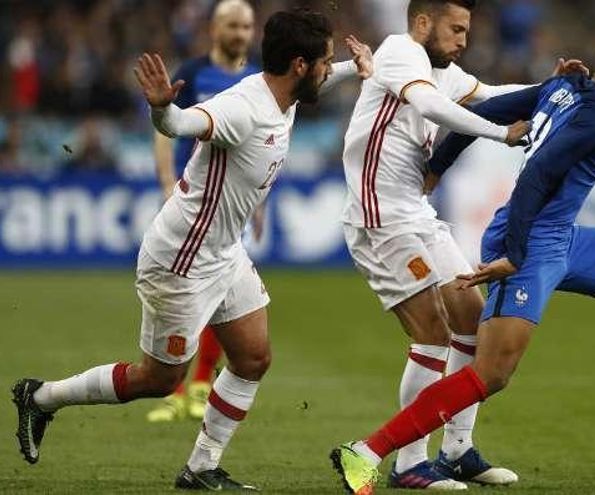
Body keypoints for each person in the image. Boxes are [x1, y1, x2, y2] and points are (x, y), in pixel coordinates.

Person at [331, 34, 595, 495]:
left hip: (560, 236)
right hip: (530, 241)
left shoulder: (561, 88)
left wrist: (439, 164)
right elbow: (537, 175)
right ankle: (368, 452)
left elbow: (478, 114)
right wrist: (514, 254)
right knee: (492, 372)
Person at [12, 9, 373, 490]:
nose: (330, 69)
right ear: (300, 65)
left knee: (253, 358)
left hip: (224, 252)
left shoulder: (285, 94)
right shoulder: (242, 108)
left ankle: (201, 467)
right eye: (326, 62)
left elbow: (321, 83)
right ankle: (41, 398)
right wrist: (162, 108)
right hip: (181, 259)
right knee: (161, 379)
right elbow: (181, 124)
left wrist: (355, 69)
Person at [339, 0, 585, 489]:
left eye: (467, 30)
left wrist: (553, 87)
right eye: (456, 29)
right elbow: (431, 107)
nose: (463, 40)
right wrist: (499, 134)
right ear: (424, 23)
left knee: (472, 319)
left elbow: (494, 93)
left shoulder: (441, 71)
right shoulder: (398, 53)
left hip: (417, 216)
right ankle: (409, 463)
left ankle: (456, 450)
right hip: (380, 219)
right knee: (431, 333)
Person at [149, 0, 259, 424]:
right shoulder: (192, 73)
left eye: (247, 26)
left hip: (231, 203)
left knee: (220, 293)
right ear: (214, 29)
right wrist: (164, 181)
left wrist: (260, 204)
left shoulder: (257, 78)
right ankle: (178, 389)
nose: (240, 33)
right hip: (189, 196)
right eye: (233, 25)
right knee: (185, 294)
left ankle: (197, 386)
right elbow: (164, 128)